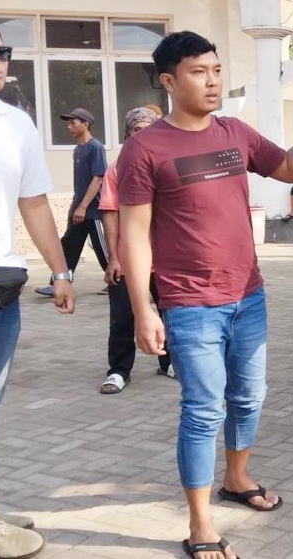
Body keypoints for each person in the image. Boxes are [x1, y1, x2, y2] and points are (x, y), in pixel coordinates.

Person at [116, 30, 293, 559]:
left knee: (249, 397)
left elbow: (289, 167)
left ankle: (237, 478)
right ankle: (200, 524)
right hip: (190, 304)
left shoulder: (234, 132)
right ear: (170, 81)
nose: (212, 80)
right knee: (202, 410)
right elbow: (133, 234)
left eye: (216, 69)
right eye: (199, 71)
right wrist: (144, 310)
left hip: (249, 296)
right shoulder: (144, 148)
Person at [0, 18, 75, 559]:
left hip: (1, 286)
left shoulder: (15, 123)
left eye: (0, 50)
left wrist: (61, 271)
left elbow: (35, 203)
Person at [98, 106, 173, 394]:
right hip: (129, 260)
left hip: (165, 258)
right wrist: (114, 258)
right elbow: (110, 212)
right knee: (122, 318)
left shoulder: (167, 164)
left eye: (147, 129)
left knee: (171, 314)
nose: (141, 135)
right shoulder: (117, 169)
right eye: (135, 130)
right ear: (127, 135)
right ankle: (118, 371)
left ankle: (169, 362)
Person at [34, 107, 109, 297]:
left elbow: (98, 178)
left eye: (73, 122)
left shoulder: (95, 147)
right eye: (68, 123)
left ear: (86, 124)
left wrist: (84, 207)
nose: (69, 127)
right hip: (78, 209)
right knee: (69, 246)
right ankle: (59, 282)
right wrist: (76, 207)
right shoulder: (78, 149)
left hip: (93, 211)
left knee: (103, 249)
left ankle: (118, 281)